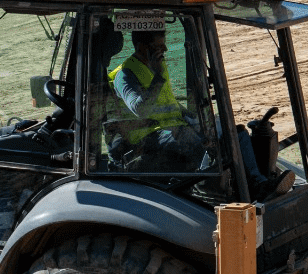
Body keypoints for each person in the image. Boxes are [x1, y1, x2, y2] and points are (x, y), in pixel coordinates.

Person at [111, 28, 291, 200]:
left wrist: (195, 119)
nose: (164, 49)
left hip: (176, 126)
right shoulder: (125, 74)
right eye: (158, 46)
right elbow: (140, 109)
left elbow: (170, 102)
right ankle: (215, 190)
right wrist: (158, 78)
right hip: (150, 137)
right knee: (205, 144)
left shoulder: (157, 63)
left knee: (234, 132)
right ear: (142, 47)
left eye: (163, 45)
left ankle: (259, 183)